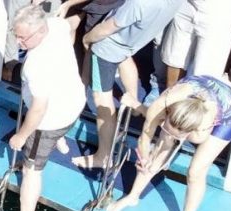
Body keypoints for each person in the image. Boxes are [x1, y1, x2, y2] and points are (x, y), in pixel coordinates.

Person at [106, 75, 231, 211]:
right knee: (159, 149)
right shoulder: (160, 106)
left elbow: (191, 139)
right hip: (196, 87)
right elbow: (145, 138)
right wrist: (144, 159)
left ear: (189, 132)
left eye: (177, 133)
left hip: (228, 110)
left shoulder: (200, 132)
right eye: (166, 126)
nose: (168, 132)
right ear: (168, 114)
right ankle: (133, 196)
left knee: (195, 172)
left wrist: (170, 136)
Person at [0, 5, 86, 211]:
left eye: (23, 38)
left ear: (39, 31)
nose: (18, 43)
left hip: (49, 120)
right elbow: (74, 23)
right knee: (61, 127)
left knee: (31, 170)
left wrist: (21, 136)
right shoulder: (56, 26)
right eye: (15, 35)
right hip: (75, 102)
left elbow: (38, 109)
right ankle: (60, 139)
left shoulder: (36, 64)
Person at [71, 0, 185, 170]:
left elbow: (107, 29)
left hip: (106, 50)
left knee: (101, 100)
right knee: (125, 58)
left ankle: (103, 156)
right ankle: (133, 105)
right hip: (131, 44)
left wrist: (87, 39)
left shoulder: (139, 4)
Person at [160, 0, 231, 88]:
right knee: (175, 58)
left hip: (223, 11)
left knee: (204, 74)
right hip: (188, 5)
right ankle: (168, 99)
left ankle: (190, 102)